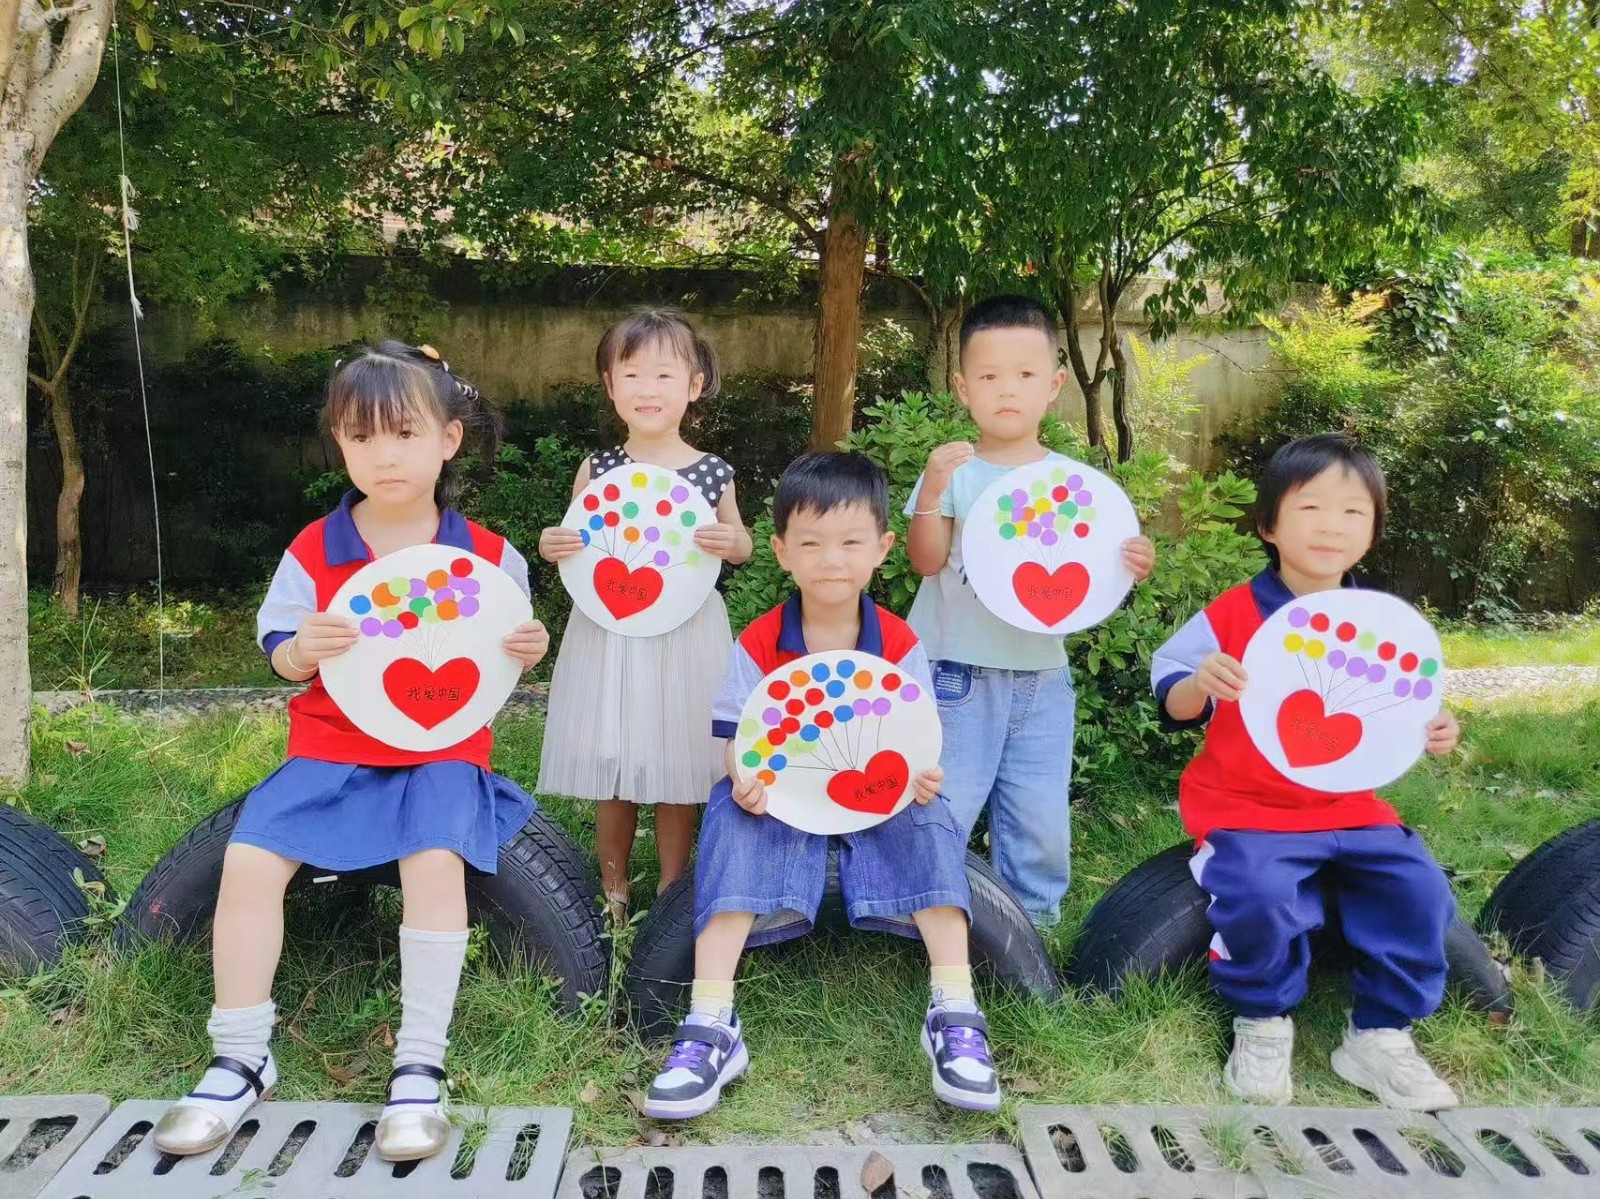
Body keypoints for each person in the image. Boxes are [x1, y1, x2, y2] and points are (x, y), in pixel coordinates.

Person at [153, 342, 550, 1161]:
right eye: (361, 436)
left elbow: (506, 652)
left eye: (404, 433)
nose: (384, 454)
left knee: (435, 860)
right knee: (252, 855)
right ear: (339, 443)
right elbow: (277, 646)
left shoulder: (488, 553)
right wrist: (300, 649)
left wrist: (531, 641)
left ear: (449, 438)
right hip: (331, 746)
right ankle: (239, 1054)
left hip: (442, 748)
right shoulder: (316, 549)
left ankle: (419, 1066)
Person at [641, 451, 1001, 1120]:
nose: (831, 559)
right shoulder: (758, 643)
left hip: (876, 794)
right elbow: (735, 737)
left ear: (883, 548)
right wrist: (742, 774)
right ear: (781, 550)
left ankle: (954, 1008)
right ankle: (712, 1021)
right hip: (783, 799)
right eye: (810, 542)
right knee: (728, 812)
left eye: (851, 541)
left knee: (931, 816)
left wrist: (924, 773)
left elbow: (920, 735)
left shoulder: (898, 642)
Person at [1151, 433, 1463, 1111]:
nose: (1331, 524)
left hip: (1351, 807)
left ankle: (1378, 1034)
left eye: (1353, 512)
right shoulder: (1231, 613)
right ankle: (1262, 1022)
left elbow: (1407, 709)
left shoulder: (1377, 624)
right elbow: (1171, 697)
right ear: (1269, 524)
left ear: (1373, 531)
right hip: (1246, 807)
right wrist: (1199, 683)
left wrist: (1438, 728)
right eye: (1311, 506)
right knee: (1257, 894)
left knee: (1421, 892)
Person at [905, 295, 1155, 928]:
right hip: (957, 672)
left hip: (1043, 678)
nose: (1006, 391)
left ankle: (1030, 928)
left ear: (1055, 384)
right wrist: (932, 490)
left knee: (1038, 813)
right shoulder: (955, 472)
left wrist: (1131, 560)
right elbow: (926, 561)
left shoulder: (1074, 485)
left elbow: (1095, 578)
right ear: (962, 387)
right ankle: (930, 920)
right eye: (988, 377)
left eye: (1024, 375)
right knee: (948, 805)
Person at [538, 311, 752, 918]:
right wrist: (555, 543)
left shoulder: (712, 471)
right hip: (611, 632)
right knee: (615, 756)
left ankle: (671, 892)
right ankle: (612, 890)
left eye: (664, 373)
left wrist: (727, 541)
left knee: (678, 760)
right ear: (610, 386)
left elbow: (743, 543)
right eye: (631, 374)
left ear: (694, 383)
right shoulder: (599, 468)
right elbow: (572, 540)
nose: (647, 388)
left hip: (685, 635)